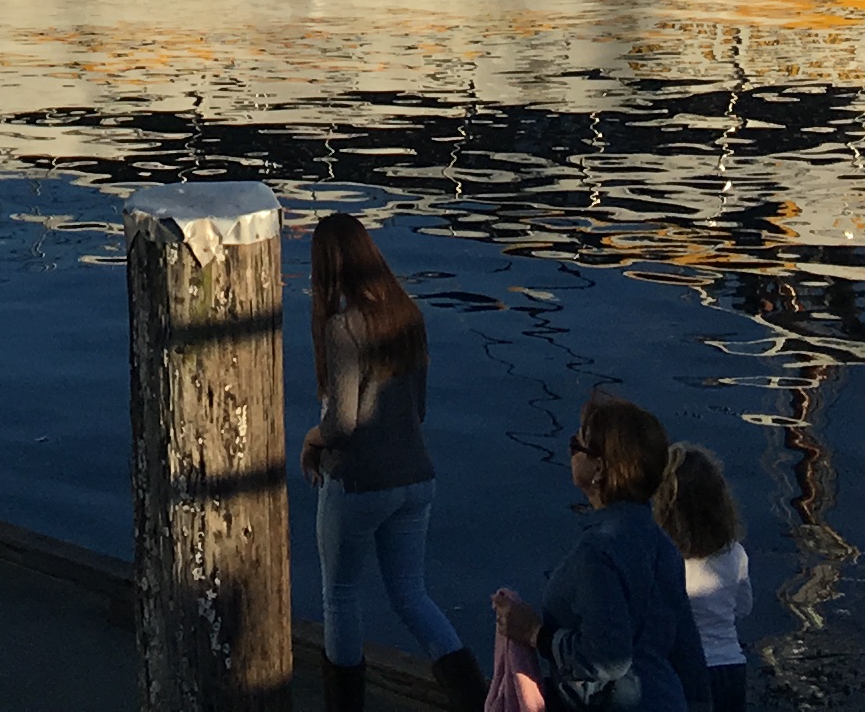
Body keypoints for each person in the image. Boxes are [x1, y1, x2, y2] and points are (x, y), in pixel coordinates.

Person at [297, 213, 467, 710]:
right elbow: (419, 409)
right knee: (413, 596)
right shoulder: (409, 316)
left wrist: (311, 439)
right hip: (417, 478)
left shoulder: (343, 328)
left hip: (358, 486)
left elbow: (342, 427)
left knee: (341, 597)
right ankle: (476, 697)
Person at [491, 394, 710, 712]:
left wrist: (535, 633)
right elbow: (687, 651)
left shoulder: (598, 552)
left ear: (599, 468)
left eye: (575, 446)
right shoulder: (661, 542)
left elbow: (607, 659)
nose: (571, 453)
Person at [657, 441, 752, 712]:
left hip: (684, 670)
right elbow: (744, 608)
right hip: (731, 666)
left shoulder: (663, 560)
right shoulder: (735, 554)